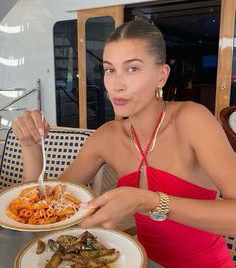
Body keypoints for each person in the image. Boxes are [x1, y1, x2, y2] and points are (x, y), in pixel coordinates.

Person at [12, 20, 236, 267]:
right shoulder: (107, 135)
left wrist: (149, 201)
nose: (116, 85)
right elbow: (46, 209)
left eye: (132, 69)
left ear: (161, 75)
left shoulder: (192, 120)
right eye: (109, 70)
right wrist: (30, 145)